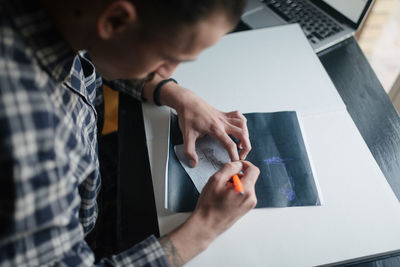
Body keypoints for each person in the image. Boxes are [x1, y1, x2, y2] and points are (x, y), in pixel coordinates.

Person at [0, 0, 260, 266]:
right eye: (169, 57)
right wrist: (205, 228)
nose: (169, 72)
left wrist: (173, 92)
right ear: (116, 20)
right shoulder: (31, 132)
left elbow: (99, 52)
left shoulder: (68, 17)